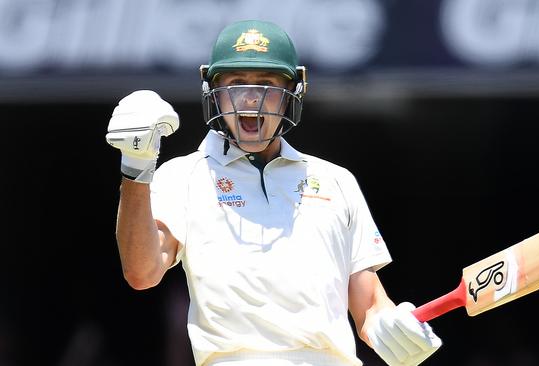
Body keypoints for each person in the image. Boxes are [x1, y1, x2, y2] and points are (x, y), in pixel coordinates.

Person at [106, 19, 441, 366]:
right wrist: (136, 168)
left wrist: (393, 325)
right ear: (214, 94)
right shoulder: (182, 176)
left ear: (293, 93)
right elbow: (142, 272)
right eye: (236, 84)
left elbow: (369, 305)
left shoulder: (336, 180)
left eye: (266, 84)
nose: (250, 98)